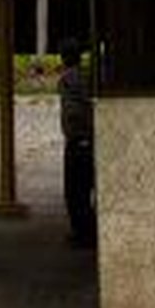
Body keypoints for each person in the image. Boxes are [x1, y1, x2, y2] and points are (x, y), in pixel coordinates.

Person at [59, 40, 97, 250]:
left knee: (75, 191)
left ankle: (83, 234)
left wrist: (76, 131)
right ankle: (85, 232)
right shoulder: (86, 76)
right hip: (87, 140)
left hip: (78, 141)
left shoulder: (68, 79)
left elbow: (74, 111)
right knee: (84, 189)